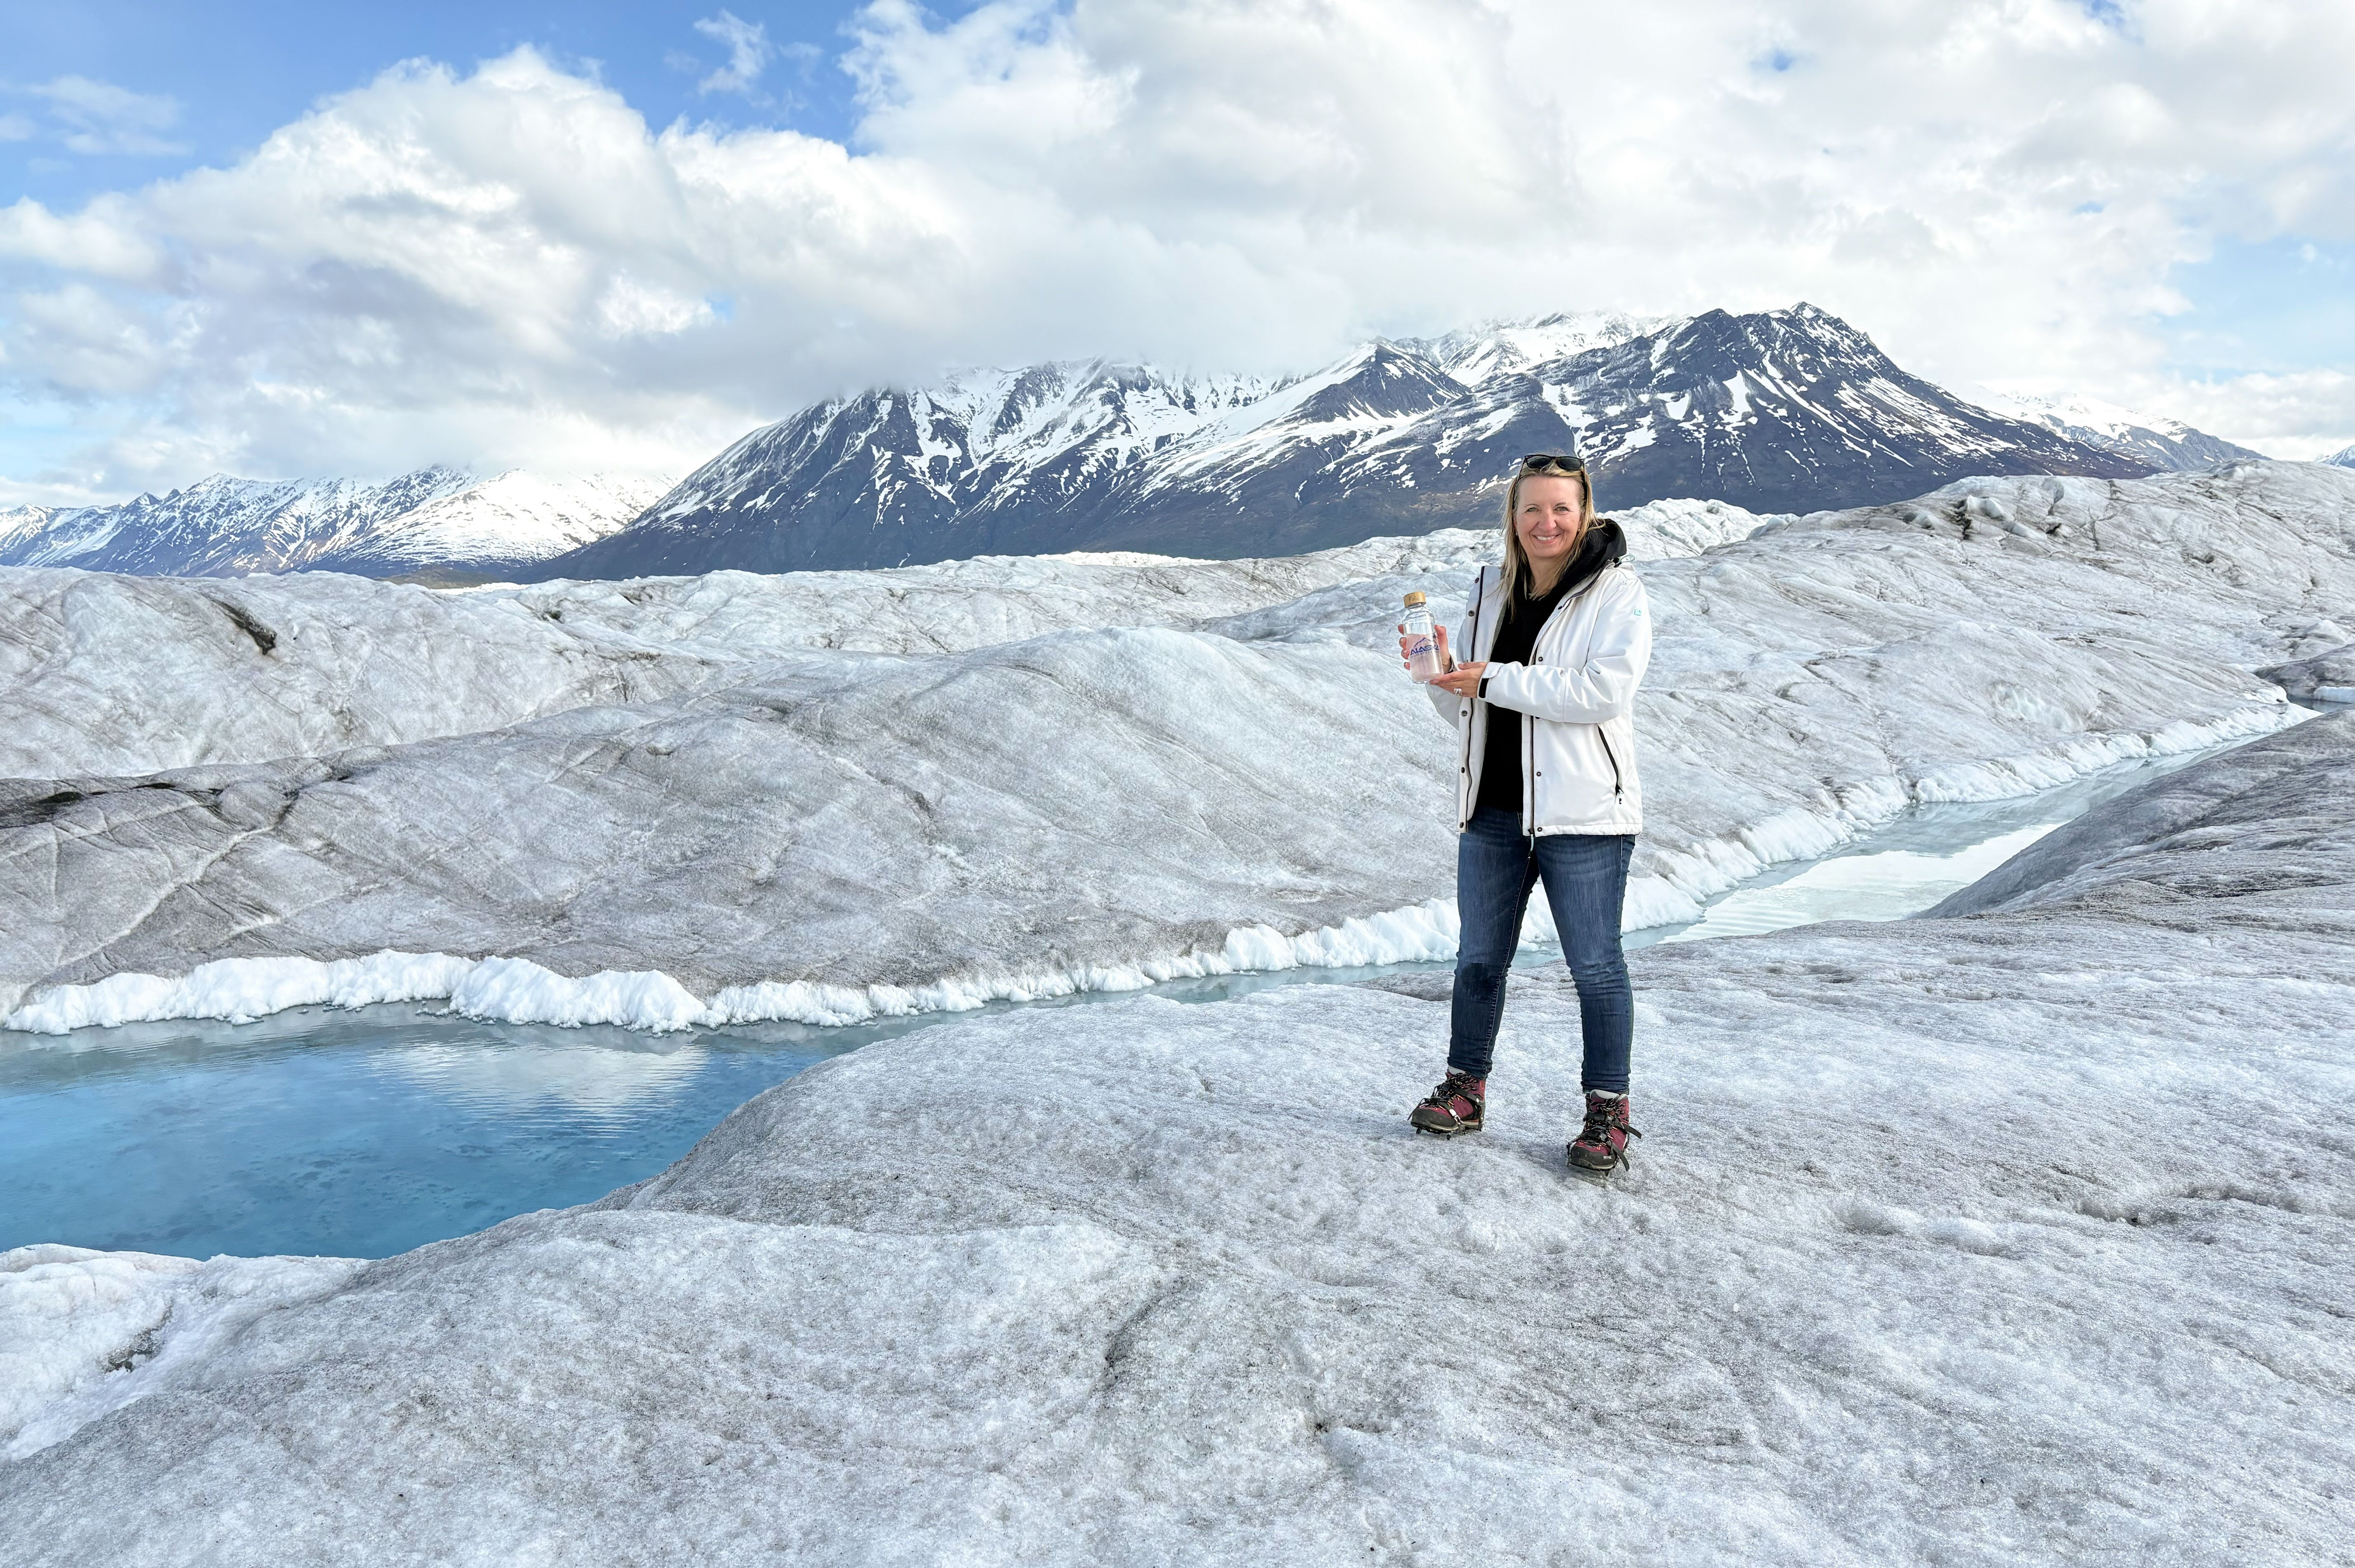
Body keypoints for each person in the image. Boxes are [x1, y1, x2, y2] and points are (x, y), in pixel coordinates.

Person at [1395, 452, 1652, 1174]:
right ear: (1512, 516)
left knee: (1596, 967)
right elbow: (1475, 711)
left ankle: (1607, 1116)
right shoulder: (1490, 588)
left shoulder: (1615, 592)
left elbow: (1603, 692)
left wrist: (1497, 678)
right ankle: (1465, 1091)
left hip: (1585, 815)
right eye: (1532, 508)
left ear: (1586, 514)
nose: (1546, 522)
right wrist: (1443, 678)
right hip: (1494, 808)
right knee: (1478, 959)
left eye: (1561, 509)